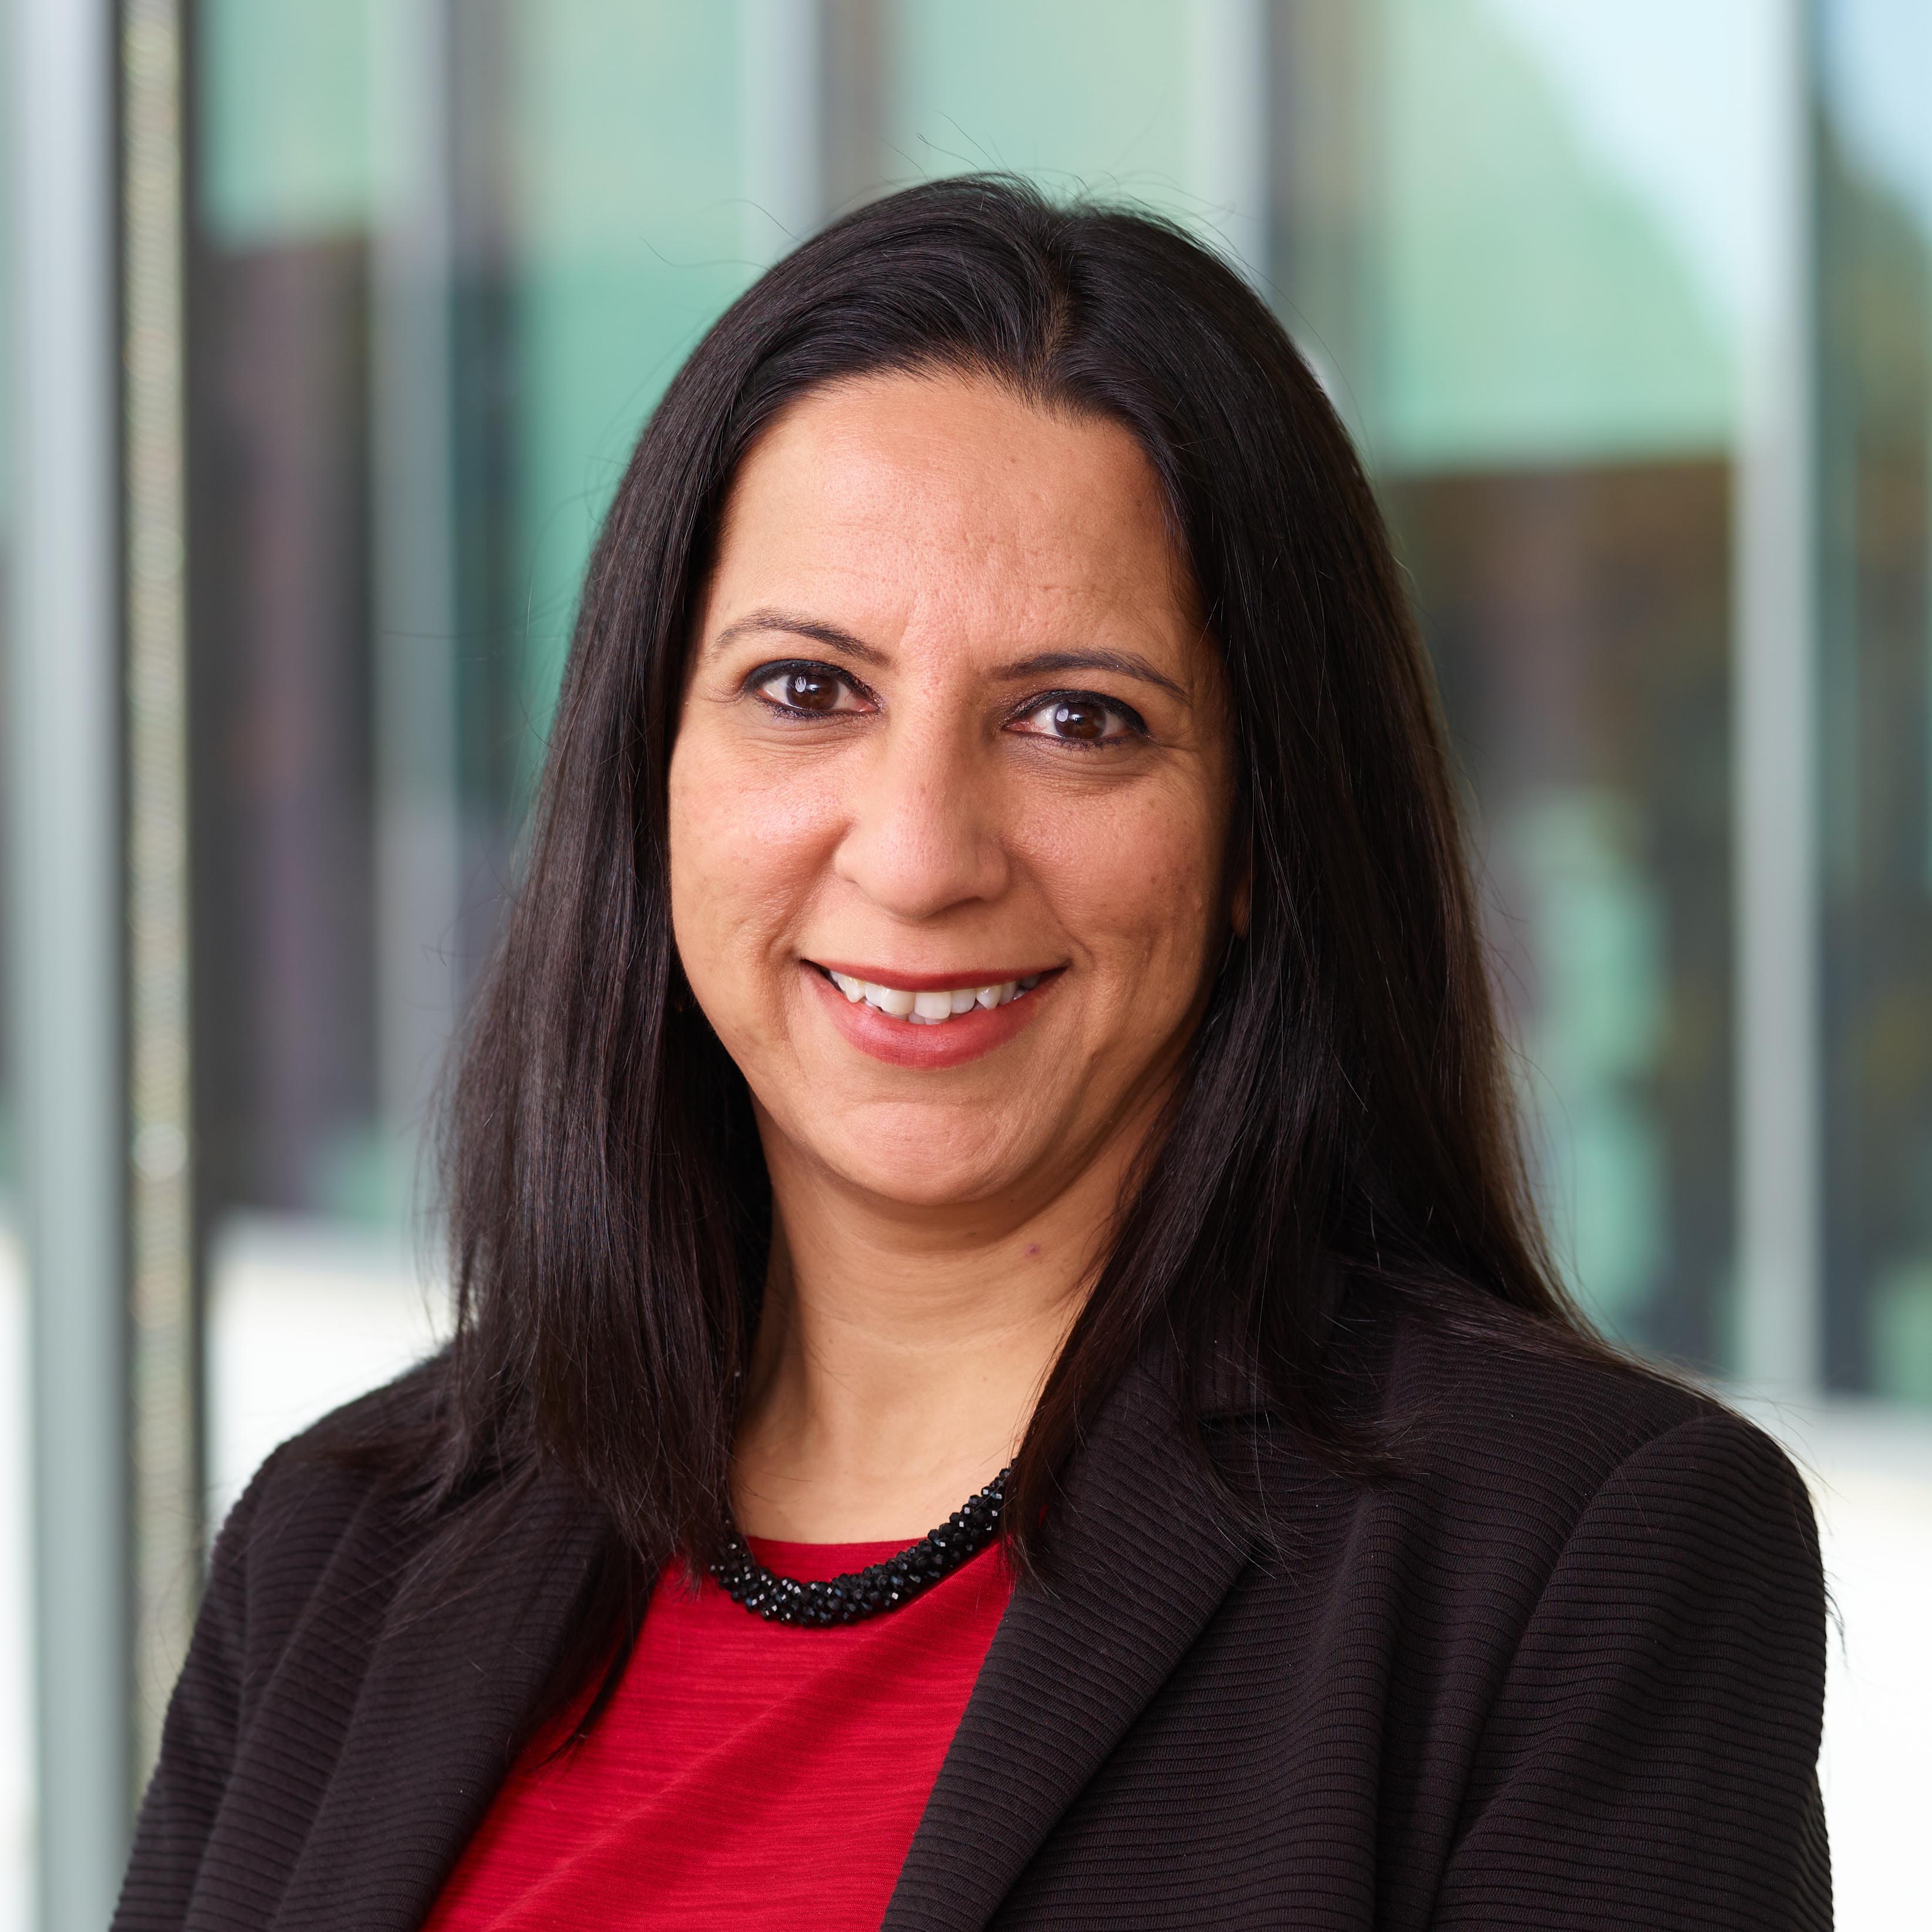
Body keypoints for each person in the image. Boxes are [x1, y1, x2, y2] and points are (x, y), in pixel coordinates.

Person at [115, 176, 1828, 1931]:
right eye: (806, 689)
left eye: (1076, 720)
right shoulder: (343, 1543)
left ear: (1256, 832)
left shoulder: (1573, 1558)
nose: (922, 849)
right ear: (653, 762)